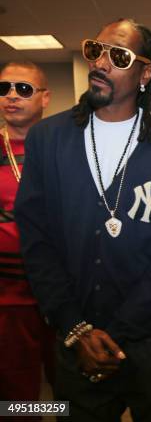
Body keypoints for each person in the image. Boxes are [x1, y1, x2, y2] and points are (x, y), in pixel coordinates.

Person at [15, 19, 151, 421]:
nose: (100, 62)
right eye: (94, 50)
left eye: (117, 56)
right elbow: (36, 240)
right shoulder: (48, 140)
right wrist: (75, 328)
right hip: (75, 340)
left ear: (145, 73)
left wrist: (114, 331)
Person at [0, 61, 55, 419]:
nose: (11, 96)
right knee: (17, 396)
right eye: (3, 88)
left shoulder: (63, 150)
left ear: (45, 98)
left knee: (74, 386)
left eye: (23, 89)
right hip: (7, 299)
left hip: (61, 295)